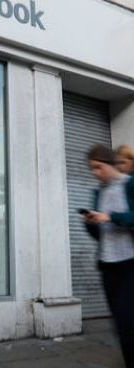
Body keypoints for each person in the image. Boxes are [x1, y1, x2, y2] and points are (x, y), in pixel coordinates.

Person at [83, 144, 134, 368]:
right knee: (120, 324)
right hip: (107, 265)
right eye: (92, 169)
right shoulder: (99, 192)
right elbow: (99, 235)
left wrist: (111, 217)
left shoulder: (129, 184)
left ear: (109, 163)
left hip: (129, 264)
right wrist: (91, 223)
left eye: (98, 167)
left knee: (127, 322)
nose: (95, 172)